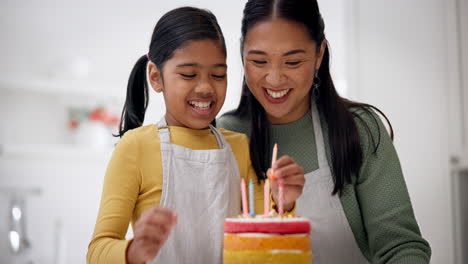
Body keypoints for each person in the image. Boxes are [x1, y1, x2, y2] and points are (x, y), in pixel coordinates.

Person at [217, 0, 431, 263]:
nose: (274, 78)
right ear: (242, 53)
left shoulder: (358, 129)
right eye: (259, 61)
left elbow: (400, 247)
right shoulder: (222, 137)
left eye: (293, 61)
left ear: (319, 54)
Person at [87, 6, 304, 264]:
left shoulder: (238, 146)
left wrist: (283, 202)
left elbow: (261, 239)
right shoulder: (135, 147)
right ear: (156, 77)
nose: (205, 87)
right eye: (189, 74)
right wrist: (133, 251)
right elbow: (97, 251)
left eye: (218, 75)